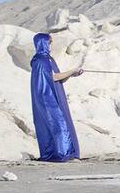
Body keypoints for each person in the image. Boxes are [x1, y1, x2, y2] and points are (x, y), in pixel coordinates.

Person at [30, 32, 83, 162]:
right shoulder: (41, 60)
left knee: (59, 122)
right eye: (49, 42)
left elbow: (58, 79)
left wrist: (72, 74)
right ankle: (63, 153)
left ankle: (65, 152)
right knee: (58, 124)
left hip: (55, 95)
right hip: (48, 98)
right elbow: (53, 77)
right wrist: (72, 70)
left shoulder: (48, 59)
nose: (50, 45)